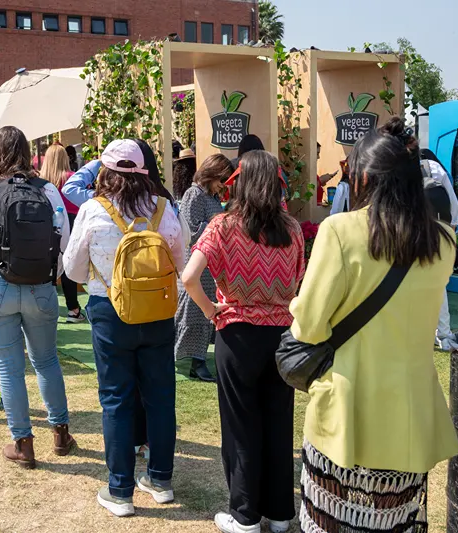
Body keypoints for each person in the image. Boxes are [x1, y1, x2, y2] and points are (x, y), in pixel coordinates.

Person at [291, 130, 458, 533]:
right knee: (394, 524)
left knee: (329, 522)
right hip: (410, 417)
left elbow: (309, 326)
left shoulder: (340, 232)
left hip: (348, 414)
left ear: (363, 178)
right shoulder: (443, 242)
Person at [182, 150, 304, 533]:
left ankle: (245, 515)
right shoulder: (294, 229)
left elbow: (189, 276)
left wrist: (210, 309)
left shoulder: (222, 225)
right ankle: (282, 513)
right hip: (282, 334)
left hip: (236, 332)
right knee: (279, 423)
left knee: (241, 426)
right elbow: (300, 280)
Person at [63, 139, 186, 518]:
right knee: (161, 394)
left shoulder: (92, 210)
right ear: (143, 170)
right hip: (159, 311)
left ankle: (120, 490)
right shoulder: (164, 209)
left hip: (110, 309)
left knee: (115, 398)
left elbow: (72, 269)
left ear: (107, 172)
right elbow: (182, 261)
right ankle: (160, 480)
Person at [0, 126, 75, 468]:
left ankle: (23, 444)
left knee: (8, 368)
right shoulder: (48, 190)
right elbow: (65, 242)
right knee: (47, 361)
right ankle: (61, 433)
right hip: (41, 287)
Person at [175, 154, 233, 382]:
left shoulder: (209, 195)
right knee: (190, 312)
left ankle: (197, 360)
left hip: (209, 264)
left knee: (202, 313)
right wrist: (216, 227)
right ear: (213, 174)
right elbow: (190, 231)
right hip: (197, 262)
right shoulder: (194, 194)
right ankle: (192, 361)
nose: (224, 184)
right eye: (223, 179)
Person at [421, 148, 458, 350]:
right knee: (438, 284)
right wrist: (450, 233)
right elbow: (453, 207)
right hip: (438, 230)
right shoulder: (435, 167)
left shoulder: (394, 166)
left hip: (405, 231)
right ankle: (444, 335)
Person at [42, 143, 85, 323]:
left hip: (48, 222)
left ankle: (47, 307)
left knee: (49, 263)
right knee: (69, 263)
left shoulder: (41, 182)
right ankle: (73, 308)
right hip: (72, 221)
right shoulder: (73, 178)